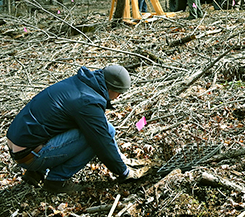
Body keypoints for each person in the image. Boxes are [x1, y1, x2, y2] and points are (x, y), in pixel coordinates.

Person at [5, 65, 144, 193]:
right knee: (96, 137)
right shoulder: (87, 101)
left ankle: (36, 173)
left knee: (104, 129)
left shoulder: (81, 83)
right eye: (119, 92)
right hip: (29, 155)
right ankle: (56, 180)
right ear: (110, 89)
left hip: (19, 144)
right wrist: (123, 172)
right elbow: (102, 143)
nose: (118, 96)